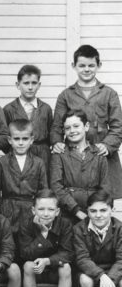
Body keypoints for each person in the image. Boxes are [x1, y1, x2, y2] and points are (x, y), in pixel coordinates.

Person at [51, 45, 122, 198]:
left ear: (99, 65)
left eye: (91, 65)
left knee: (102, 202)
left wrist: (107, 145)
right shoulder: (66, 95)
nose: (86, 69)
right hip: (74, 156)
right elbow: (57, 126)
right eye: (82, 65)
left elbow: (118, 127)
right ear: (74, 66)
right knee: (75, 196)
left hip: (102, 153)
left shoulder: (109, 94)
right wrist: (56, 142)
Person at [18, 189, 73, 287]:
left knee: (66, 267)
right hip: (35, 271)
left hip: (55, 269)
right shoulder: (26, 224)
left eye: (51, 209)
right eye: (41, 209)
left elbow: (67, 253)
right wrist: (43, 235)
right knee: (27, 265)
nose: (46, 213)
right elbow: (25, 254)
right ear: (33, 210)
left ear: (57, 211)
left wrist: (48, 261)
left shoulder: (65, 224)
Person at [74, 190, 122, 287]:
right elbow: (82, 258)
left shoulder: (119, 228)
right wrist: (101, 277)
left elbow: (121, 260)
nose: (98, 215)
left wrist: (110, 280)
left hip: (113, 270)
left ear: (111, 210)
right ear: (87, 211)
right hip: (89, 271)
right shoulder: (78, 229)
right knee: (85, 281)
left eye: (103, 210)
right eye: (93, 211)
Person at [50, 109, 108, 223]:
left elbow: (104, 188)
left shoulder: (98, 154)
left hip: (94, 214)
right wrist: (76, 211)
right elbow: (56, 187)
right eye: (67, 128)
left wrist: (96, 211)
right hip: (67, 214)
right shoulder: (59, 154)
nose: (72, 131)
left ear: (86, 126)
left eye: (76, 126)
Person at [0, 119, 48, 236]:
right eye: (16, 139)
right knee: (9, 242)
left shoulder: (38, 162)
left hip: (30, 211)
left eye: (25, 139)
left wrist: (40, 212)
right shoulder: (1, 162)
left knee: (29, 244)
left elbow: (43, 190)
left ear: (31, 140)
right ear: (10, 140)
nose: (20, 143)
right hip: (7, 211)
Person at [2, 65, 53, 167]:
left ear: (39, 85)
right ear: (18, 85)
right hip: (17, 156)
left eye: (34, 83)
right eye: (26, 83)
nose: (30, 87)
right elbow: (4, 137)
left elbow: (50, 134)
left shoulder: (46, 108)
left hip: (42, 156)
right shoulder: (9, 109)